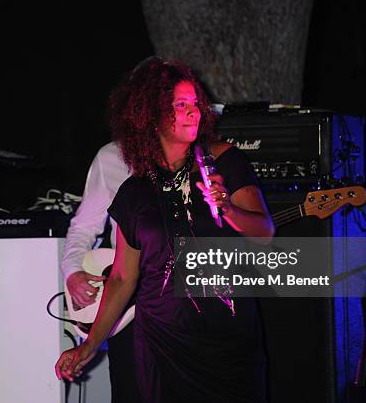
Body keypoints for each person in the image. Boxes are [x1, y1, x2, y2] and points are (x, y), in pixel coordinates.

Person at [56, 57, 275, 402]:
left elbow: (265, 233)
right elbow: (122, 279)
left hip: (226, 333)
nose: (193, 112)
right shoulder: (134, 191)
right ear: (151, 114)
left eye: (195, 104)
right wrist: (89, 345)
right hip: (159, 339)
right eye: (180, 105)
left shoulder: (224, 161)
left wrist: (228, 208)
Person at [60, 137, 139, 401]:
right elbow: (84, 225)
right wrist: (72, 270)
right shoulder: (114, 155)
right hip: (127, 298)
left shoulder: (202, 157)